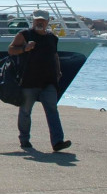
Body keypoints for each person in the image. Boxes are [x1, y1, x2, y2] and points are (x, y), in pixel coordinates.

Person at [9, 10, 72, 152]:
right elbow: (11, 50)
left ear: (48, 22)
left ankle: (57, 142)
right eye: (37, 20)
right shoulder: (24, 35)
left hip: (48, 81)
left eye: (43, 20)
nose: (40, 22)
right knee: (25, 111)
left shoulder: (52, 38)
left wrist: (58, 72)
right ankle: (24, 140)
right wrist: (25, 48)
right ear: (33, 20)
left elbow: (55, 56)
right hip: (29, 81)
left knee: (52, 110)